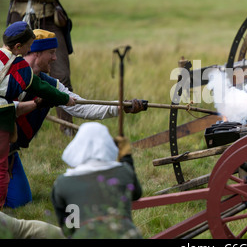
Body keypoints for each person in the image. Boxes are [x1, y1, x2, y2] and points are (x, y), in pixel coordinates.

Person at [5, 28, 147, 209]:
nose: (55, 58)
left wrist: (122, 106)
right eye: (52, 53)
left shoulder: (51, 85)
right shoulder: (6, 76)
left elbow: (82, 106)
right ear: (37, 52)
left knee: (20, 202)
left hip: (9, 152)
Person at [0, 0, 74, 134]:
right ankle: (11, 122)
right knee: (10, 70)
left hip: (49, 19)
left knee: (61, 73)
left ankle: (67, 127)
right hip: (19, 21)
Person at [1, 21, 75, 207]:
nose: (28, 52)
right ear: (19, 47)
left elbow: (16, 105)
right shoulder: (20, 68)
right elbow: (41, 87)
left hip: (5, 135)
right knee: (1, 173)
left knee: (21, 202)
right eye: (27, 48)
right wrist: (64, 99)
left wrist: (37, 104)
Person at [51, 122, 142, 239]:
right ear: (107, 143)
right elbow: (135, 194)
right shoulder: (124, 171)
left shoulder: (62, 184)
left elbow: (68, 228)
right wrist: (126, 158)